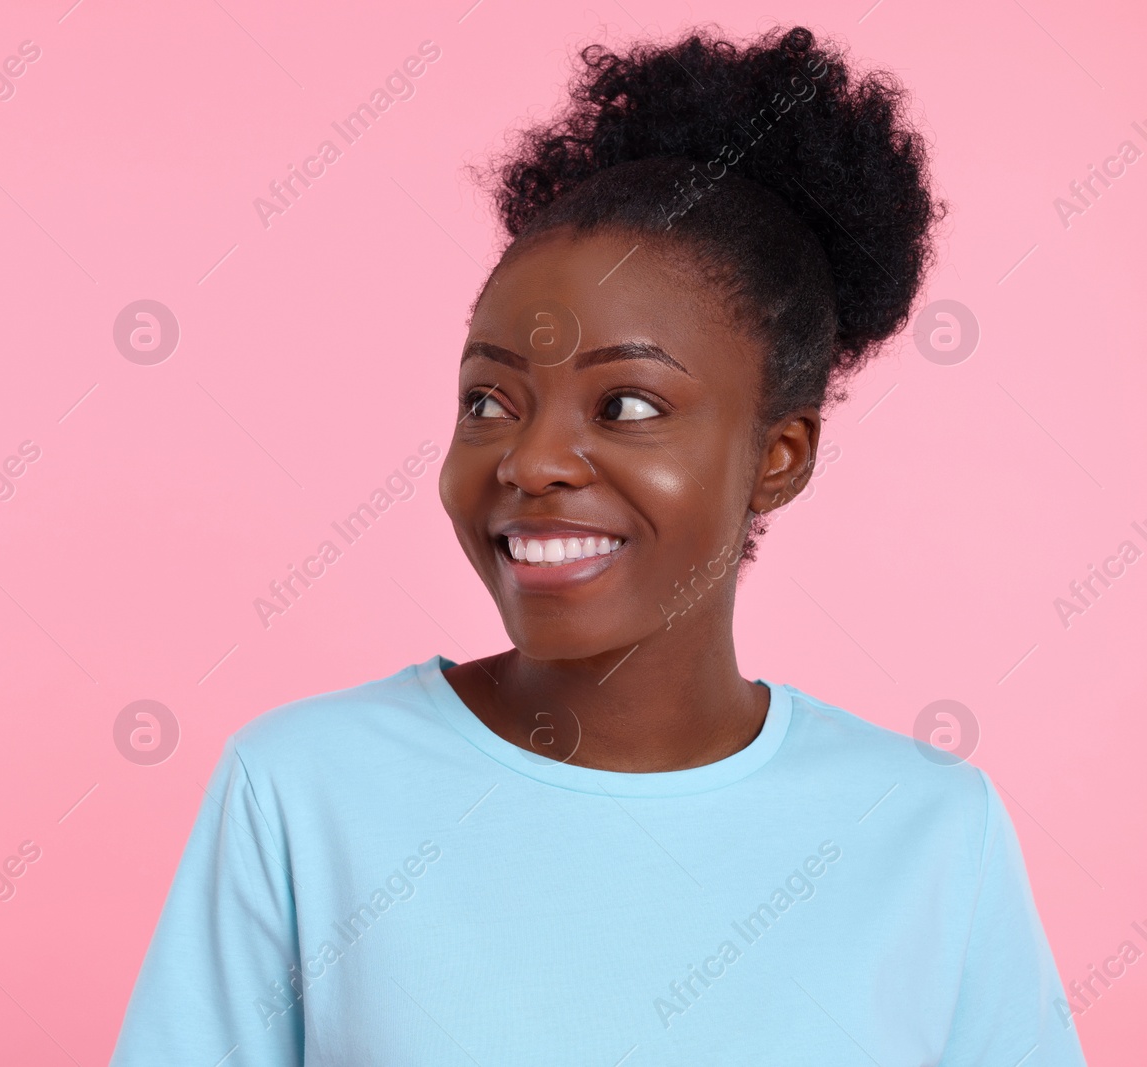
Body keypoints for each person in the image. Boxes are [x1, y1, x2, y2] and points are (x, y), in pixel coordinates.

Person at [109, 24, 1087, 1065]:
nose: (531, 461)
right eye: (490, 399)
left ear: (779, 455)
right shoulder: (302, 790)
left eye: (624, 402)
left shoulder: (929, 832)